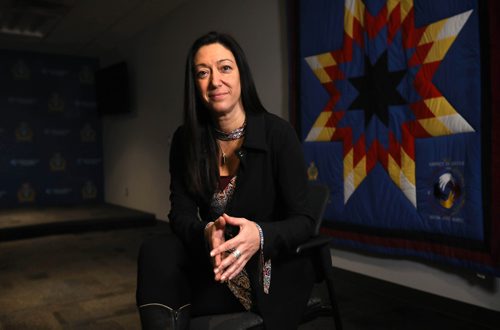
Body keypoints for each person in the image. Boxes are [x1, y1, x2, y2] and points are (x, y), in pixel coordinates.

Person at [136, 31, 316, 330]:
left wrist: (258, 235)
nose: (214, 81)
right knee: (156, 251)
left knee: (170, 293)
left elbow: (305, 220)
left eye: (225, 68)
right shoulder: (185, 140)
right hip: (215, 262)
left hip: (266, 268)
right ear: (194, 84)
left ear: (241, 74)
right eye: (202, 73)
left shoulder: (278, 134)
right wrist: (207, 231)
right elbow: (179, 214)